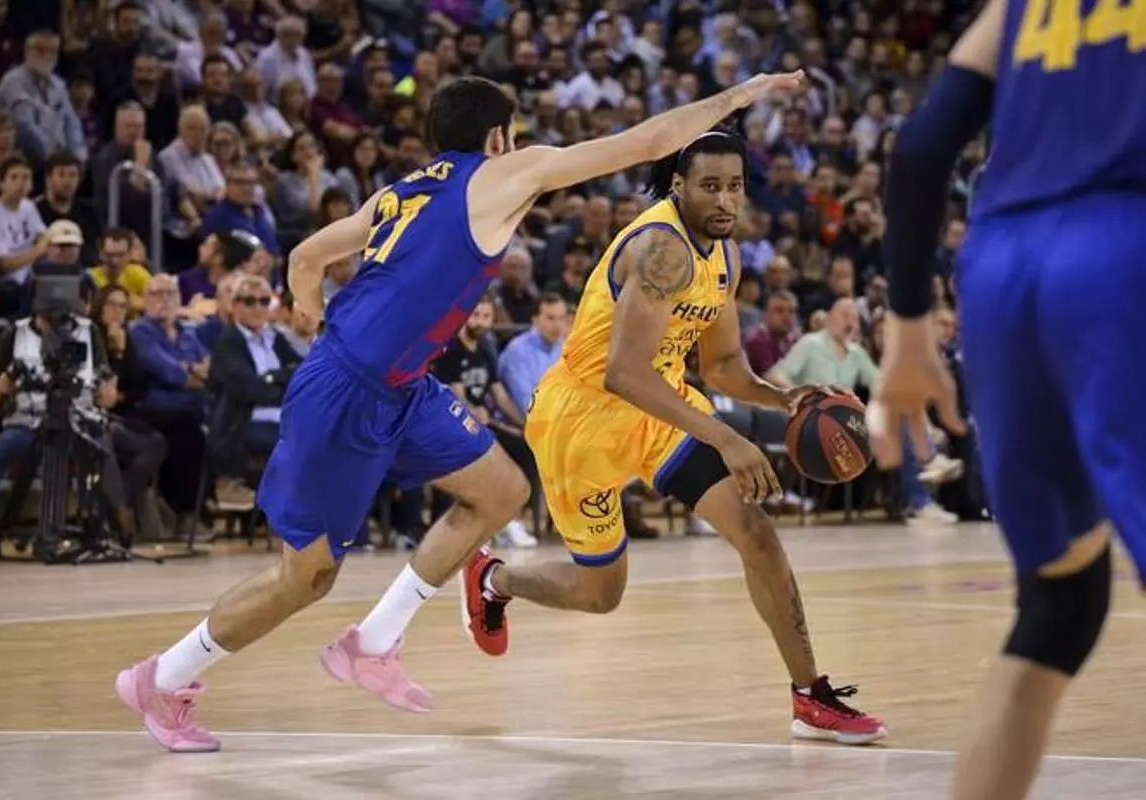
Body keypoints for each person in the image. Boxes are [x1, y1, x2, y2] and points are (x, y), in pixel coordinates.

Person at [114, 71, 807, 753]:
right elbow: (649, 141)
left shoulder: (402, 192)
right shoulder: (499, 176)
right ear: (499, 137)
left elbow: (304, 258)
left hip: (399, 383)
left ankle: (373, 643)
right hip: (346, 393)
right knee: (308, 578)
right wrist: (739, 96)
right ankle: (161, 679)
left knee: (500, 490)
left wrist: (321, 319)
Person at [459, 129, 886, 745]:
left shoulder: (725, 255)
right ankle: (494, 578)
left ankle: (809, 696)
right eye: (710, 186)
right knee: (600, 595)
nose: (725, 200)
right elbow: (623, 373)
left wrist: (785, 399)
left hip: (660, 410)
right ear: (679, 185)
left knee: (757, 534)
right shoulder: (661, 250)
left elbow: (723, 368)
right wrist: (729, 439)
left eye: (735, 186)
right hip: (581, 419)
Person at [866, 0, 1144, 796]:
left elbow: (921, 148)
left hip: (1000, 275)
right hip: (1123, 253)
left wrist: (908, 329)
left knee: (1059, 605)